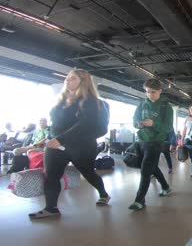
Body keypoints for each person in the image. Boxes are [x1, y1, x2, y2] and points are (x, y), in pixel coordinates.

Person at [28, 69, 110, 219]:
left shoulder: (91, 102)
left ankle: (103, 194)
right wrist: (49, 140)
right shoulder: (61, 101)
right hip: (56, 145)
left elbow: (86, 124)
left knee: (88, 173)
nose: (67, 80)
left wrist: (62, 139)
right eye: (67, 78)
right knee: (51, 175)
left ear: (83, 82)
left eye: (72, 78)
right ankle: (51, 208)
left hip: (81, 146)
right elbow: (55, 124)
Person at [129, 78, 172, 211]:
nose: (150, 95)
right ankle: (165, 187)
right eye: (147, 92)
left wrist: (154, 124)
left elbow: (168, 127)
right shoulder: (142, 104)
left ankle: (139, 200)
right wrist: (138, 124)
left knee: (145, 170)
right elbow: (134, 121)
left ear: (160, 91)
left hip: (156, 142)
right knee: (152, 166)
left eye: (153, 92)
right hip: (142, 140)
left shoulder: (166, 107)